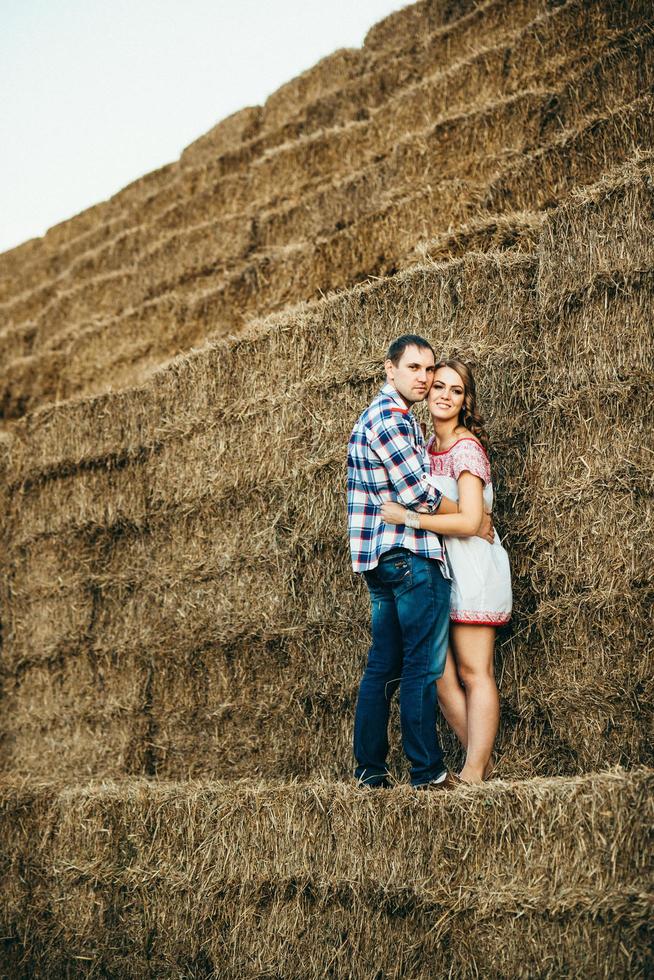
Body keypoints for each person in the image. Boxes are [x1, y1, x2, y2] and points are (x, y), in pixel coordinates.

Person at [347, 336, 493, 790]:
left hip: (380, 560)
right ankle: (427, 772)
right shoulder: (392, 420)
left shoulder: (381, 418)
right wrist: (476, 518)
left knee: (383, 666)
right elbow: (419, 495)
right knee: (421, 668)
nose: (424, 378)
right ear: (389, 369)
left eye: (428, 370)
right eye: (414, 368)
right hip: (409, 558)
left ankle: (370, 772)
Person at [381, 359, 511, 783]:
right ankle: (483, 768)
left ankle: (472, 773)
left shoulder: (465, 447)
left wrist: (410, 520)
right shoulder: (424, 447)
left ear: (463, 401)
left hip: (472, 566)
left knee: (475, 672)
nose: (444, 395)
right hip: (439, 570)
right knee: (439, 677)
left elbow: (472, 521)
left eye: (456, 391)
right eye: (439, 386)